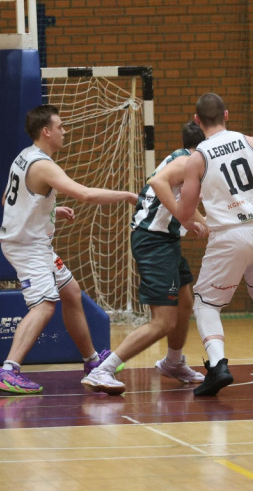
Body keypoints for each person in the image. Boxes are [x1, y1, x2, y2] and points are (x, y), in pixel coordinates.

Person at [0, 104, 138, 395]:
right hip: (27, 246)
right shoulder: (43, 165)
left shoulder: (24, 156)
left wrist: (48, 211)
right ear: (46, 131)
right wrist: (128, 195)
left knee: (71, 292)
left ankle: (92, 362)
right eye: (60, 126)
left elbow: (7, 199)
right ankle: (8, 370)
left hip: (33, 241)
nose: (64, 131)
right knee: (44, 304)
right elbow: (85, 194)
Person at [176, 93, 253, 397]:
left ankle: (217, 366)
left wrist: (189, 218)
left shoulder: (198, 157)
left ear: (197, 120)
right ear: (226, 115)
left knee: (205, 302)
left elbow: (186, 210)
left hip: (230, 233)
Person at [81, 123, 210, 394]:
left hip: (166, 242)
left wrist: (207, 223)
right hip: (154, 243)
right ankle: (103, 370)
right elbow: (157, 184)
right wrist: (185, 216)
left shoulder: (184, 161)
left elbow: (187, 207)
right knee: (163, 320)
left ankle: (173, 363)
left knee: (185, 301)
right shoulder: (188, 161)